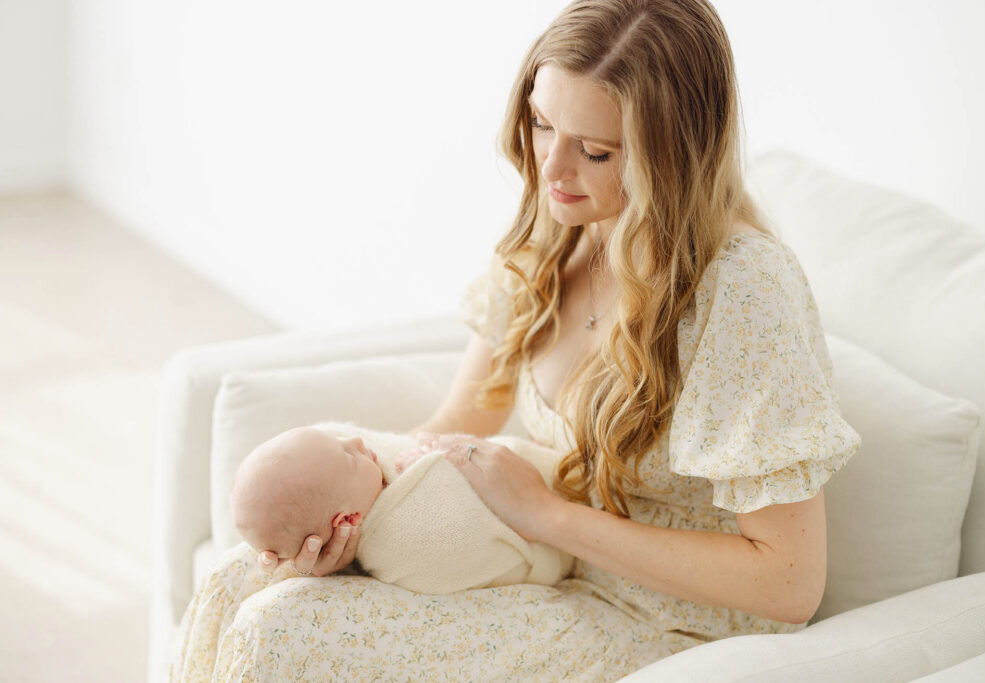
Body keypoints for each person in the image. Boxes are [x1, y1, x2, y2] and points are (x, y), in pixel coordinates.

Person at [170, 0, 861, 679]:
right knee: (244, 579)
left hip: (664, 621)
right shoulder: (558, 228)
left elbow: (789, 582)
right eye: (540, 122)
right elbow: (454, 427)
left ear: (673, 155)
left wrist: (543, 513)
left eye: (594, 150)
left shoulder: (740, 288)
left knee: (280, 631)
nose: (551, 169)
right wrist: (353, 518)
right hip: (539, 562)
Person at [230, 421, 574, 593]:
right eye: (349, 457)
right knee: (234, 575)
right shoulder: (406, 539)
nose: (356, 441)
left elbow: (331, 451)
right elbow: (468, 544)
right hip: (542, 542)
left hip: (543, 492)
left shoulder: (360, 484)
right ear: (348, 518)